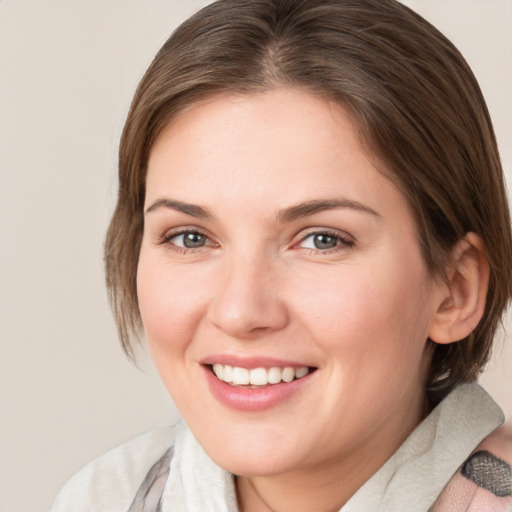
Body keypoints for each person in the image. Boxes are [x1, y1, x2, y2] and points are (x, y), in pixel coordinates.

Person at [51, 0, 512, 510]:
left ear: (455, 289)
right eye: (190, 237)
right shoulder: (100, 498)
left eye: (322, 239)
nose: (240, 312)